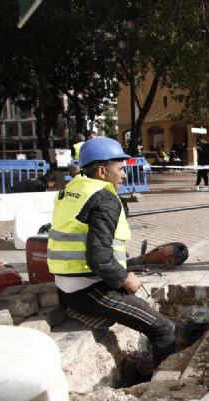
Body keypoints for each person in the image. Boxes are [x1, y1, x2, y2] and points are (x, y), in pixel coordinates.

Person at [47, 137, 176, 369]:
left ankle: (96, 315)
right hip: (88, 290)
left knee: (139, 311)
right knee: (163, 329)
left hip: (67, 287)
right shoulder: (104, 197)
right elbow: (98, 258)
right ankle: (164, 386)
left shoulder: (72, 189)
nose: (125, 175)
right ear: (102, 170)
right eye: (121, 169)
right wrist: (126, 278)